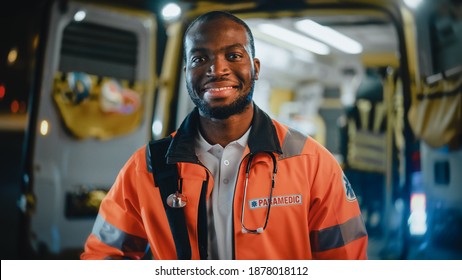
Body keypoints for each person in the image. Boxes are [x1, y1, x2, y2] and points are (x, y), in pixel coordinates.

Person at [81, 11, 368, 260]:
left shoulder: (311, 163)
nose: (216, 69)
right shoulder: (147, 168)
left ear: (254, 69)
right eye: (200, 58)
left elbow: (345, 262)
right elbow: (104, 256)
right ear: (186, 73)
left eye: (233, 55)